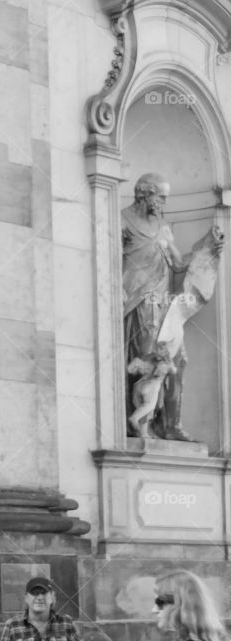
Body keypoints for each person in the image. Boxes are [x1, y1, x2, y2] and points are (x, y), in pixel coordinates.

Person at [121, 172, 192, 441]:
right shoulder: (122, 221)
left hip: (162, 304)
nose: (164, 202)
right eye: (161, 196)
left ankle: (170, 425)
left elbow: (178, 264)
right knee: (145, 360)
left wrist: (209, 247)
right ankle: (140, 424)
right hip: (138, 301)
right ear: (145, 193)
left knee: (178, 359)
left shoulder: (163, 226)